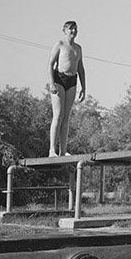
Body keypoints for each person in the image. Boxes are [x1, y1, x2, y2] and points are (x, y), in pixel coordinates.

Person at [46, 20, 85, 157]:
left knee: (66, 117)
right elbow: (50, 64)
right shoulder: (60, 44)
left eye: (75, 29)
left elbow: (80, 68)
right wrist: (51, 83)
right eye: (70, 29)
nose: (73, 31)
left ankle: (63, 150)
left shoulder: (78, 48)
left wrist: (83, 88)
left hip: (72, 81)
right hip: (59, 79)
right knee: (58, 115)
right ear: (64, 30)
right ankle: (52, 150)